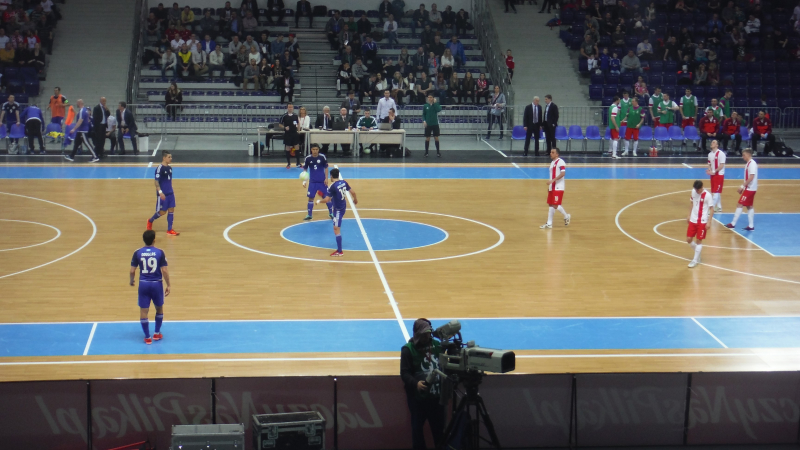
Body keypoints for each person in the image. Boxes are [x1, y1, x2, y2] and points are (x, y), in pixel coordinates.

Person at [401, 318, 445, 450]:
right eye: (424, 333)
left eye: (428, 333)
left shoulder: (438, 346)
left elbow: (445, 366)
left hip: (436, 400)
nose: (427, 336)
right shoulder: (408, 350)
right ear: (417, 333)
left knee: (440, 435)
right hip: (418, 401)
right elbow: (404, 374)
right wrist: (416, 384)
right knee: (417, 435)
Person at [130, 230, 170, 345]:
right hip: (157, 284)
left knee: (144, 311)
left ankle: (147, 337)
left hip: (144, 284)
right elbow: (164, 270)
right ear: (154, 240)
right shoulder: (160, 252)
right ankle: (157, 333)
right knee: (159, 309)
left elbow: (132, 270)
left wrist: (131, 280)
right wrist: (169, 285)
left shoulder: (137, 252)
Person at [315, 168, 358, 257]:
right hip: (342, 206)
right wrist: (355, 200)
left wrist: (319, 201)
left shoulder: (332, 186)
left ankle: (340, 251)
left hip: (338, 210)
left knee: (336, 229)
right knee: (336, 225)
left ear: (331, 176)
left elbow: (327, 200)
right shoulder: (344, 182)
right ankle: (339, 250)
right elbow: (353, 193)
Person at [146, 151, 180, 235]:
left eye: (171, 157)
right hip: (163, 194)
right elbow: (156, 181)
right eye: (169, 157)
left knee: (171, 209)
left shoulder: (170, 168)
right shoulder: (159, 168)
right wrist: (160, 192)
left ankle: (169, 229)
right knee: (162, 212)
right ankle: (150, 220)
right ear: (164, 158)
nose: (170, 159)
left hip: (170, 193)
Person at [725, 148, 758, 231]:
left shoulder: (752, 164)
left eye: (744, 155)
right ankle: (751, 226)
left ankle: (733, 224)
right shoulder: (748, 163)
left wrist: (743, 186)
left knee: (740, 204)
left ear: (748, 155)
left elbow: (751, 177)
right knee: (749, 206)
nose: (743, 157)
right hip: (750, 188)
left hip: (750, 189)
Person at [686, 180, 714, 268]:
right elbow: (691, 203)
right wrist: (688, 215)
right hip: (693, 220)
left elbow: (712, 209)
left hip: (702, 221)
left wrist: (709, 222)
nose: (696, 191)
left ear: (702, 188)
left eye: (698, 190)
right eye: (695, 190)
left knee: (699, 240)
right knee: (688, 239)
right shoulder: (693, 191)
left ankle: (695, 260)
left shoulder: (708, 195)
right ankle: (698, 253)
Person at [540, 147, 571, 229]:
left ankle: (566, 216)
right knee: (551, 204)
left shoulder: (561, 162)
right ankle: (549, 223)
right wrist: (550, 185)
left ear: (557, 154)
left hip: (558, 187)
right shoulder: (552, 163)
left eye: (553, 152)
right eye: (550, 152)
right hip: (552, 187)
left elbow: (563, 173)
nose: (551, 153)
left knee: (555, 204)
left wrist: (552, 180)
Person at [302, 143, 333, 220]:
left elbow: (326, 168)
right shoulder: (308, 158)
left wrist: (326, 178)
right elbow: (305, 169)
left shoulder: (322, 157)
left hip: (322, 182)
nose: (315, 151)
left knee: (327, 198)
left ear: (318, 150)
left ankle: (331, 213)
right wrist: (304, 181)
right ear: (311, 150)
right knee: (310, 198)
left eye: (316, 149)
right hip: (312, 182)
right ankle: (309, 215)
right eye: (313, 149)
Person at [706, 140, 726, 212]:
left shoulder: (721, 154)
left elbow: (722, 165)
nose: (712, 143)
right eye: (711, 142)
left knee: (716, 192)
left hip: (719, 175)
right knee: (715, 191)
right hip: (713, 175)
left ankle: (711, 209)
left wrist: (714, 171)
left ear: (717, 145)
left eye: (714, 142)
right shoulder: (710, 154)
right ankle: (719, 207)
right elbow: (709, 164)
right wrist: (710, 170)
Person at [281, 103, 302, 168]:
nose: (290, 108)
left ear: (293, 108)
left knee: (297, 147)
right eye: (289, 107)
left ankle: (298, 163)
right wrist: (284, 128)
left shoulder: (295, 115)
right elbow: (280, 124)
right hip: (287, 134)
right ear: (287, 108)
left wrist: (298, 131)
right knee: (287, 148)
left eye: (291, 107)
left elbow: (298, 123)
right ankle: (288, 163)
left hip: (294, 134)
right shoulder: (284, 116)